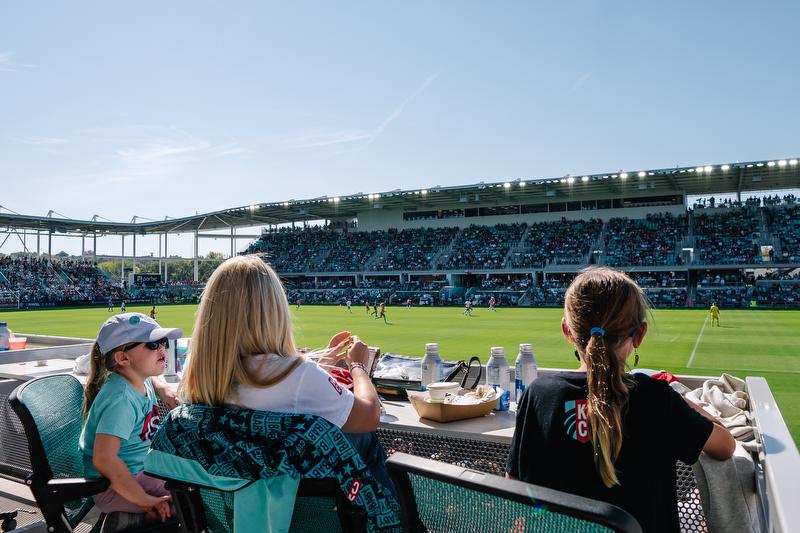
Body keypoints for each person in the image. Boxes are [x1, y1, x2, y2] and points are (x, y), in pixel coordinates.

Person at [506, 268, 734, 533]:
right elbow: (725, 446)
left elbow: (515, 484)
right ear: (639, 335)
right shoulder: (657, 398)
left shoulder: (538, 394)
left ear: (567, 331)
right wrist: (681, 400)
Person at [180, 255, 398, 499]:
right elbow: (368, 416)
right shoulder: (300, 376)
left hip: (232, 510)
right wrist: (357, 364)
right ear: (272, 311)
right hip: (296, 513)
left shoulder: (197, 373)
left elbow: (286, 395)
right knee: (362, 438)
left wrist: (322, 364)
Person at [80, 313, 183, 530]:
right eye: (153, 344)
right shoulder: (121, 400)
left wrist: (163, 388)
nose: (162, 349)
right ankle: (126, 521)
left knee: (189, 484)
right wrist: (144, 500)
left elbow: (151, 375)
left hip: (136, 472)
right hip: (113, 487)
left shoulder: (135, 379)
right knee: (191, 502)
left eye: (163, 343)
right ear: (123, 359)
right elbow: (104, 459)